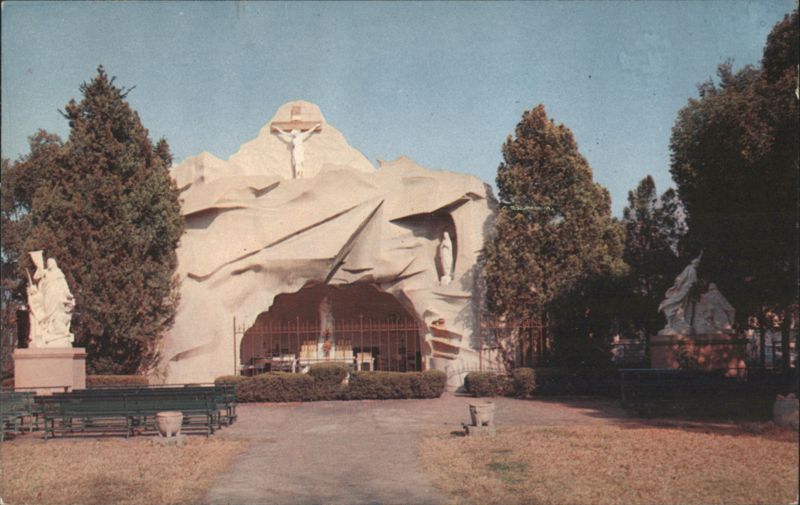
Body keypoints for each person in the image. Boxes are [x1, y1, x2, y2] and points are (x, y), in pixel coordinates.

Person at [657, 253, 701, 334]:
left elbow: (685, 279)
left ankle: (679, 322)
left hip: (687, 291)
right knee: (679, 303)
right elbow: (687, 280)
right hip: (685, 290)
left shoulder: (689, 268)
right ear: (694, 263)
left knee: (683, 306)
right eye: (697, 263)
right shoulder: (691, 269)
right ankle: (674, 320)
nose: (697, 265)